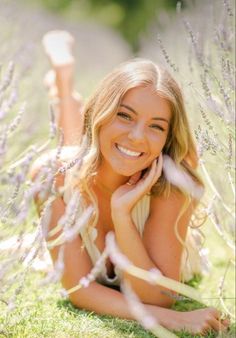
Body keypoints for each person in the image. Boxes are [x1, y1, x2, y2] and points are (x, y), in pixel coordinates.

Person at [30, 31, 230, 336]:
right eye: (124, 115)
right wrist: (176, 320)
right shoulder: (49, 177)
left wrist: (122, 216)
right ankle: (63, 83)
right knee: (71, 159)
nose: (138, 136)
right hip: (76, 164)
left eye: (156, 126)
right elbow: (80, 289)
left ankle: (63, 86)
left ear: (166, 138)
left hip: (124, 174)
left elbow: (157, 296)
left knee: (98, 149)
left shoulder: (172, 185)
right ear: (101, 111)